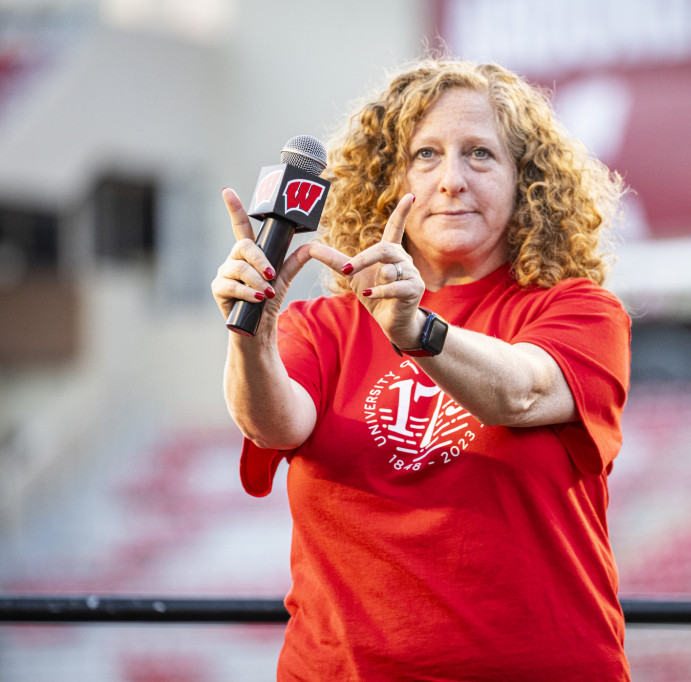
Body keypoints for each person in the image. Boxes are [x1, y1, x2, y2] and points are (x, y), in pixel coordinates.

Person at [211, 57, 632, 681]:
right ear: (389, 179)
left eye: (481, 155)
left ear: (528, 180)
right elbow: (273, 425)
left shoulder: (579, 309)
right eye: (426, 155)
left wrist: (417, 331)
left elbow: (522, 391)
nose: (452, 180)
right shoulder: (322, 326)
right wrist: (255, 330)